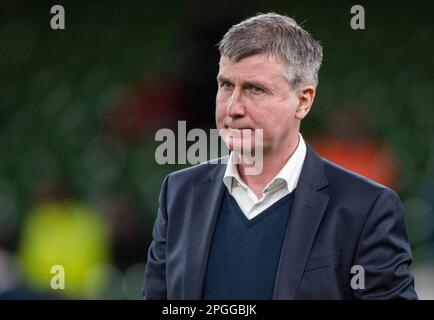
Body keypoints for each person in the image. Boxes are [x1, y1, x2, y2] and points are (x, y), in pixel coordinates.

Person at [142, 13, 417, 299]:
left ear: (303, 101)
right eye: (226, 86)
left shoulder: (365, 208)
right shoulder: (180, 193)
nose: (233, 108)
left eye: (255, 89)